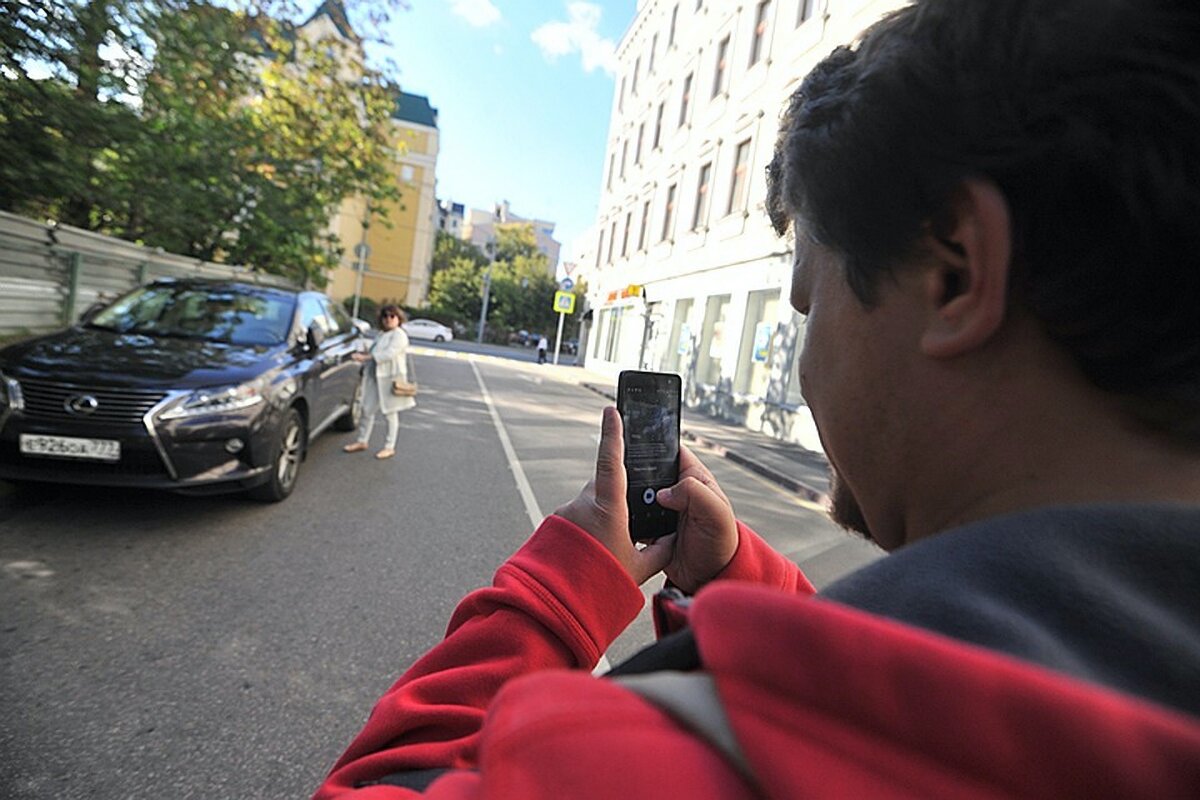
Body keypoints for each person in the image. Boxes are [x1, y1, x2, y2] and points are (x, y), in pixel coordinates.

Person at [315, 1, 1200, 796]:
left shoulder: (649, 765)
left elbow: (391, 782)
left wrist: (569, 576)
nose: (807, 356)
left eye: (809, 300)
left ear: (955, 272)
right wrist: (737, 583)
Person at [343, 305, 415, 460]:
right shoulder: (382, 334)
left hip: (391, 379)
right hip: (376, 377)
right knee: (367, 409)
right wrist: (365, 353)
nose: (388, 319)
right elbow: (375, 351)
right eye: (385, 316)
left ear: (398, 319)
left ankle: (389, 447)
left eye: (392, 316)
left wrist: (366, 357)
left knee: (390, 412)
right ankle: (362, 441)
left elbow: (389, 354)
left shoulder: (400, 335)